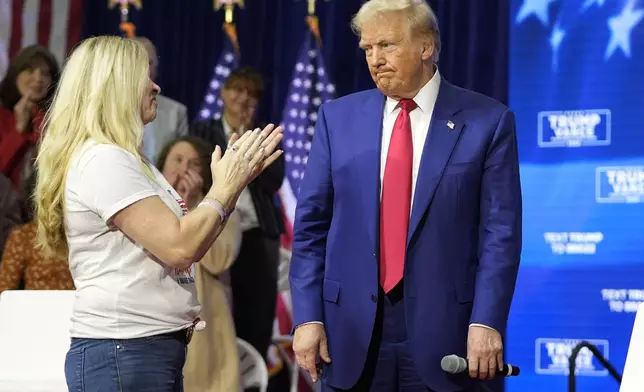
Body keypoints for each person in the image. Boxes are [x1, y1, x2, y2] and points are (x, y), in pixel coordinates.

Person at [289, 0, 522, 391]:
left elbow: (501, 234)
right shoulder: (337, 119)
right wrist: (308, 317)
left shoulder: (488, 121)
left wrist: (486, 321)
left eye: (388, 45)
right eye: (367, 49)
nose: (375, 59)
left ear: (426, 47)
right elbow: (310, 226)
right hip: (349, 335)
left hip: (448, 333)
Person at [34, 36, 283, 392]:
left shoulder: (128, 159)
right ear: (114, 86)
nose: (156, 85)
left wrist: (230, 186)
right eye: (143, 77)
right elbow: (180, 247)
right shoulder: (103, 159)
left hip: (142, 350)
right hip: (124, 353)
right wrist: (226, 186)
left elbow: (192, 245)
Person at [191, 67, 285, 363]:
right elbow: (198, 173)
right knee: (214, 312)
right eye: (237, 90)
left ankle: (254, 371)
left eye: (251, 93)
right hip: (215, 233)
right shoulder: (202, 132)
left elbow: (274, 182)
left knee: (256, 316)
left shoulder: (263, 135)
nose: (243, 98)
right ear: (223, 93)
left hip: (257, 235)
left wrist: (248, 139)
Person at [155, 136, 242, 391]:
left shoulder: (224, 210)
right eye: (178, 160)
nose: (183, 170)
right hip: (158, 320)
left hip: (207, 327)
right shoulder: (144, 208)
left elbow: (219, 261)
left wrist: (193, 205)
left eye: (192, 164)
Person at [0, 45, 59, 189]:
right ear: (15, 75)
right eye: (30, 71)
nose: (38, 78)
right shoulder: (2, 117)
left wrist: (40, 118)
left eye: (45, 73)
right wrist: (18, 129)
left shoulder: (58, 118)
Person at [135, 36, 189, 163]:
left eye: (149, 63)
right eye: (138, 63)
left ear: (156, 68)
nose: (144, 70)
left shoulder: (177, 112)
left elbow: (182, 158)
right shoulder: (111, 109)